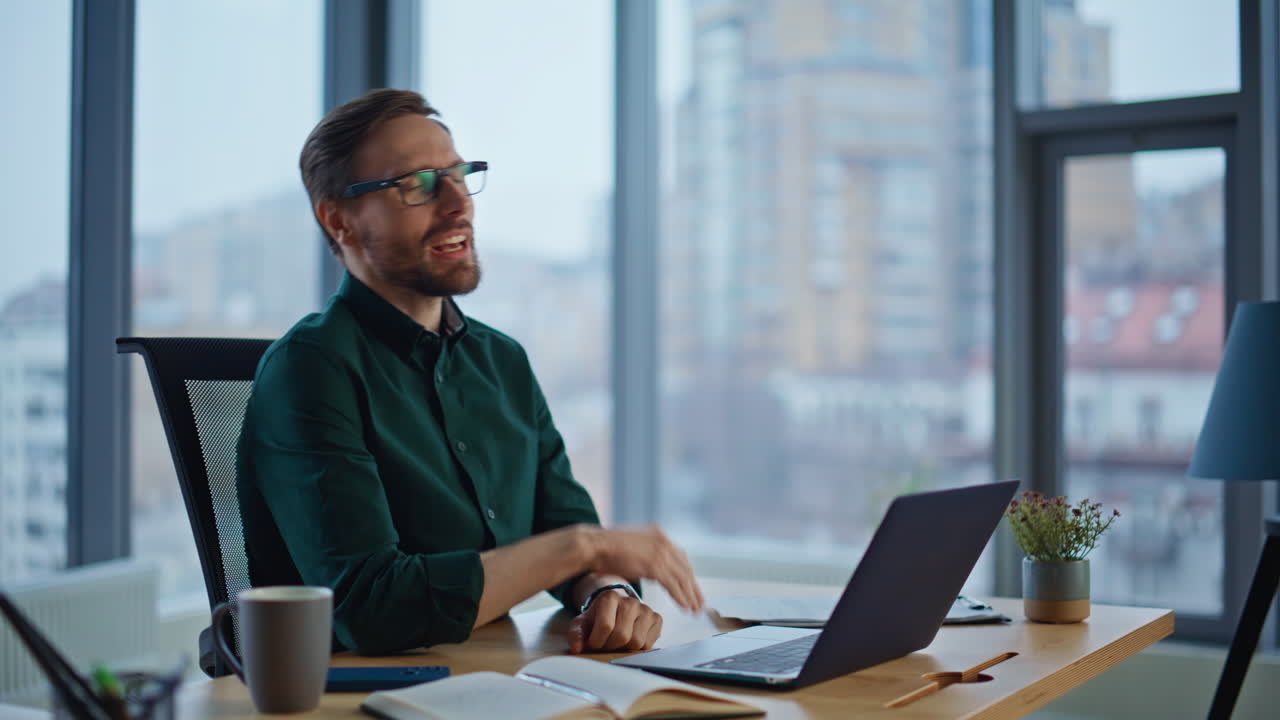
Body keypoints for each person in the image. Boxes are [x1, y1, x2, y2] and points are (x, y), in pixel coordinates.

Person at [236, 89, 703, 656]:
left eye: (459, 174)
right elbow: (371, 610)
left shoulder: (501, 361)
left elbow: (563, 522)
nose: (458, 202)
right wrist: (584, 548)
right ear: (340, 220)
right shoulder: (308, 370)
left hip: (492, 680)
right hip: (356, 697)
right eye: (420, 184)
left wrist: (605, 591)